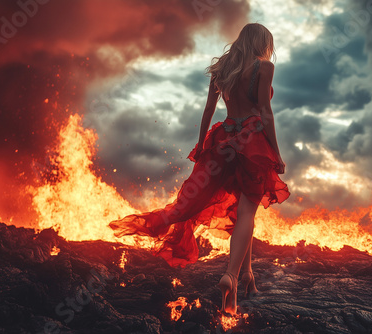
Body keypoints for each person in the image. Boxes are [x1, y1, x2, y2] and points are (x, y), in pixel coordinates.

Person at [108, 23, 290, 316]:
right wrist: (276, 154)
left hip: (224, 139)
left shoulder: (223, 68)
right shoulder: (264, 66)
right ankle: (230, 276)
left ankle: (246, 276)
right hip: (252, 140)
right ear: (262, 43)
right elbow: (265, 112)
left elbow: (208, 110)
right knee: (247, 211)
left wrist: (201, 144)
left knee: (236, 210)